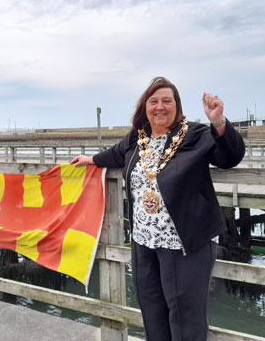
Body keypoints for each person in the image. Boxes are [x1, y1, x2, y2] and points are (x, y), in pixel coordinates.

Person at [71, 77, 245, 341]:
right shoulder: (137, 138)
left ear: (177, 106)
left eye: (167, 101)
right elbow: (116, 155)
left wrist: (219, 122)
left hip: (185, 242)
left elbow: (229, 157)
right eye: (154, 101)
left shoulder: (195, 134)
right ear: (145, 107)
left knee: (185, 317)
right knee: (152, 310)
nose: (160, 107)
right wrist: (91, 160)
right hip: (144, 241)